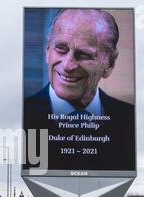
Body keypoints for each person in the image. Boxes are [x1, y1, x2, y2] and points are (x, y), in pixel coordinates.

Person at [24, 8, 135, 171]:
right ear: (48, 50)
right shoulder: (25, 116)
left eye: (83, 54)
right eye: (61, 48)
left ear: (109, 64)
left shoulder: (127, 119)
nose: (68, 65)